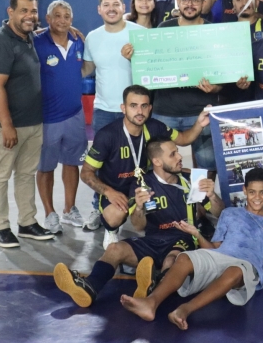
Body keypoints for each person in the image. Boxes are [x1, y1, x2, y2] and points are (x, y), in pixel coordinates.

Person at [120, 168, 263, 327]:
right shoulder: (230, 214)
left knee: (235, 271)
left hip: (246, 266)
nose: (257, 197)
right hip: (220, 256)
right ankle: (151, 303)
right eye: (252, 192)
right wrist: (197, 234)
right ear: (244, 191)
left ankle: (184, 310)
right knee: (184, 258)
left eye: (262, 192)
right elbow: (214, 247)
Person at [54, 137, 223, 307]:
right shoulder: (142, 183)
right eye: (173, 154)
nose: (179, 157)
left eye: (178, 152)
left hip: (184, 238)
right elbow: (138, 226)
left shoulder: (192, 179)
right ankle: (90, 287)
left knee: (172, 259)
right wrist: (140, 208)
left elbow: (220, 213)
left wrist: (212, 196)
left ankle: (153, 290)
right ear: (156, 161)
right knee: (114, 249)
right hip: (153, 240)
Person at [81, 85, 211, 248]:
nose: (139, 111)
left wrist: (199, 123)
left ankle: (194, 221)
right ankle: (112, 230)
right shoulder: (107, 135)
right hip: (118, 190)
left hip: (147, 186)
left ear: (150, 108)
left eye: (144, 106)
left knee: (192, 175)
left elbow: (184, 138)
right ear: (123, 108)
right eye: (133, 106)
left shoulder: (155, 126)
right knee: (115, 215)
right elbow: (86, 173)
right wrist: (109, 192)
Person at [0, 0, 54, 248]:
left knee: (25, 175)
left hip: (32, 123)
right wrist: (7, 125)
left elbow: (49, 29)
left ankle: (27, 222)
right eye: (23, 10)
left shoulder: (30, 37)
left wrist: (71, 27)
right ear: (10, 12)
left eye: (33, 10)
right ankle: (0, 227)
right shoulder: (0, 41)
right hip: (5, 126)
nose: (29, 16)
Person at [129, 0, 219, 171]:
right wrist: (134, 58)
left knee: (208, 165)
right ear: (178, 1)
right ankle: (166, 198)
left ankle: (203, 201)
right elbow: (150, 67)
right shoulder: (163, 29)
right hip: (165, 111)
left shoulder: (214, 32)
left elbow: (223, 78)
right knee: (159, 163)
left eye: (195, 0)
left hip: (200, 111)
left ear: (203, 3)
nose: (190, 4)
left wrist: (215, 87)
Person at [82, 0, 145, 230]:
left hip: (136, 110)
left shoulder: (139, 34)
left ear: (123, 7)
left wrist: (135, 60)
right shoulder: (92, 38)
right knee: (101, 165)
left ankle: (143, 209)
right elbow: (85, 69)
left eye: (115, 4)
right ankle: (98, 207)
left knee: (140, 163)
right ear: (99, 10)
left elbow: (151, 70)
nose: (111, 8)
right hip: (104, 110)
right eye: (106, 5)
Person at [33, 0, 88, 234]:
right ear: (47, 19)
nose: (62, 20)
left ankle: (69, 209)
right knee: (45, 167)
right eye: (57, 16)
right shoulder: (36, 42)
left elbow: (85, 68)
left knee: (72, 163)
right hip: (47, 118)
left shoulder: (78, 41)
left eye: (66, 16)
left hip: (75, 115)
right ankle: (49, 213)